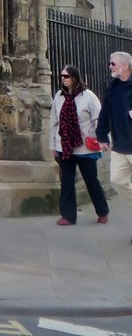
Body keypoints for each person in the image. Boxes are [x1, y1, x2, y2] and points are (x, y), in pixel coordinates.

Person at [49, 64, 109, 226]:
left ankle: (102, 211)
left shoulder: (88, 96)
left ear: (74, 77)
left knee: (91, 180)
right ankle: (68, 216)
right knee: (67, 181)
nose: (63, 78)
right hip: (65, 146)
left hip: (85, 147)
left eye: (66, 76)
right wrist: (53, 146)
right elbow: (54, 122)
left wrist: (101, 139)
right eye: (61, 76)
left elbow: (98, 119)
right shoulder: (59, 96)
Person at [97, 50, 132, 241]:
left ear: (125, 65)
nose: (110, 67)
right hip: (120, 145)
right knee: (117, 180)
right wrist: (102, 135)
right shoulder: (113, 86)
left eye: (113, 64)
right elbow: (105, 111)